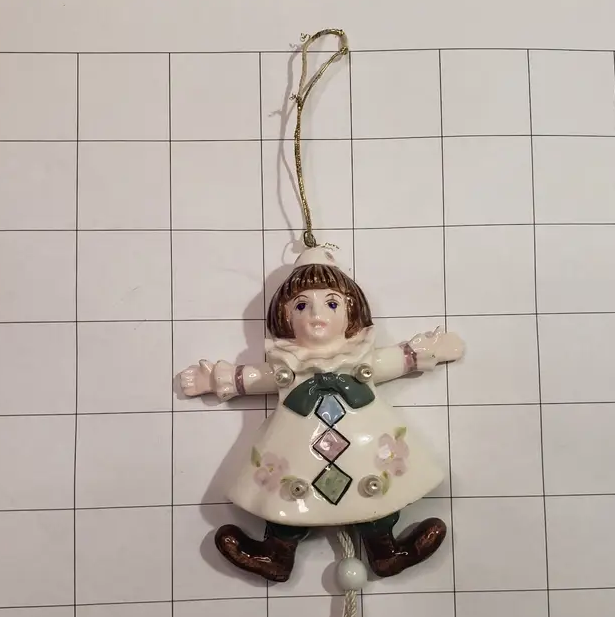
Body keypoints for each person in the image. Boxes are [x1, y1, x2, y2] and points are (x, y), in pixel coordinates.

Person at [178, 244, 465, 583]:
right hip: (297, 447)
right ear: (284, 316)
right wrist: (214, 378)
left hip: (361, 445)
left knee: (372, 487)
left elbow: (400, 359)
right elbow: (251, 378)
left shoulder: (361, 357)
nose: (317, 315)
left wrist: (429, 350)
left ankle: (385, 551)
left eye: (331, 303)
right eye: (302, 305)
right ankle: (276, 553)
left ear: (351, 311)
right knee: (284, 491)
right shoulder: (287, 364)